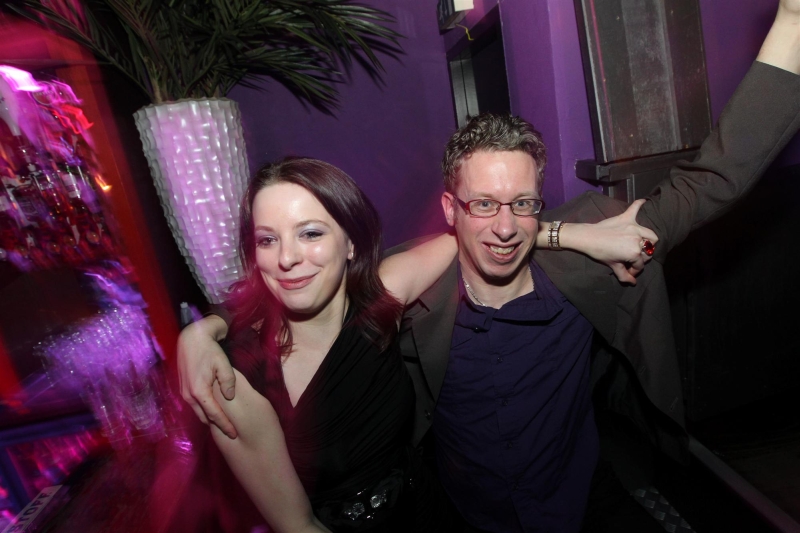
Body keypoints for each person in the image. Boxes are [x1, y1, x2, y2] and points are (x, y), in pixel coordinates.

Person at [181, 2, 800, 530]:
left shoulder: (588, 264)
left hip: (585, 504)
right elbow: (301, 281)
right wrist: (204, 330)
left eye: (522, 204)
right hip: (461, 518)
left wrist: (792, 25)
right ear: (450, 209)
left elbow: (711, 181)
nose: (504, 227)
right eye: (482, 204)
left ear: (539, 204)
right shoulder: (410, 302)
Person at [188, 156, 656, 532]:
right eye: (267, 240)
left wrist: (579, 235)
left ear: (350, 244)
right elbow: (295, 524)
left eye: (310, 233)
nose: (287, 257)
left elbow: (478, 235)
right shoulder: (235, 381)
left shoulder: (383, 297)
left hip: (432, 511)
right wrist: (202, 330)